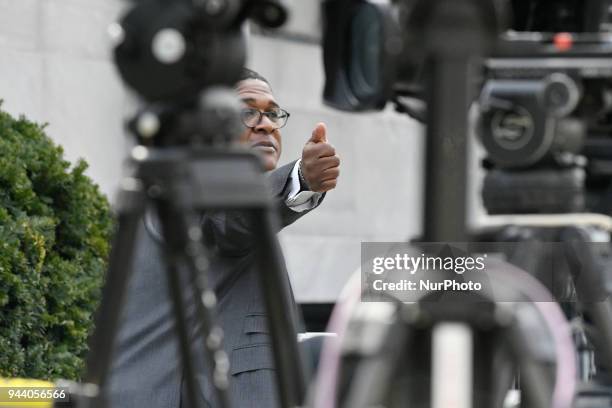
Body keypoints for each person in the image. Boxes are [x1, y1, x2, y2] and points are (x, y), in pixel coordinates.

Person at [107, 68, 341, 408]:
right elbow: (230, 220)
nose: (266, 124)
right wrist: (301, 179)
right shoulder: (194, 190)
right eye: (247, 111)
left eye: (273, 113)